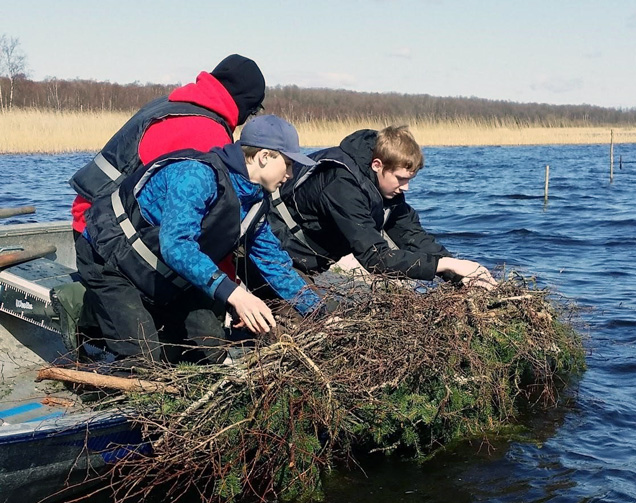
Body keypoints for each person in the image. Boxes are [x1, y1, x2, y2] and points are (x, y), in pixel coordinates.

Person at [76, 115, 323, 366]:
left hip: (160, 275)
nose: (291, 174)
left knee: (211, 352)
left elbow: (274, 264)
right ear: (264, 157)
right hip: (110, 260)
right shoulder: (197, 175)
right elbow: (176, 245)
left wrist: (320, 312)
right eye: (289, 164)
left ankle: (141, 320)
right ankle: (85, 317)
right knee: (141, 358)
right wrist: (236, 295)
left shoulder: (255, 202)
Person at [267, 126, 496, 288]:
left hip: (306, 263)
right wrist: (445, 264)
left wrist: (458, 273)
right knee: (314, 322)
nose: (405, 188)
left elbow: (412, 236)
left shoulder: (386, 187)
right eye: (400, 179)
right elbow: (375, 259)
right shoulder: (341, 184)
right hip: (275, 255)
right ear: (377, 165)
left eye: (409, 180)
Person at [69, 53, 266, 239]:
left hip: (89, 217)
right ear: (245, 104)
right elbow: (206, 218)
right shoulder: (208, 132)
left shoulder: (171, 104)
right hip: (101, 234)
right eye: (253, 111)